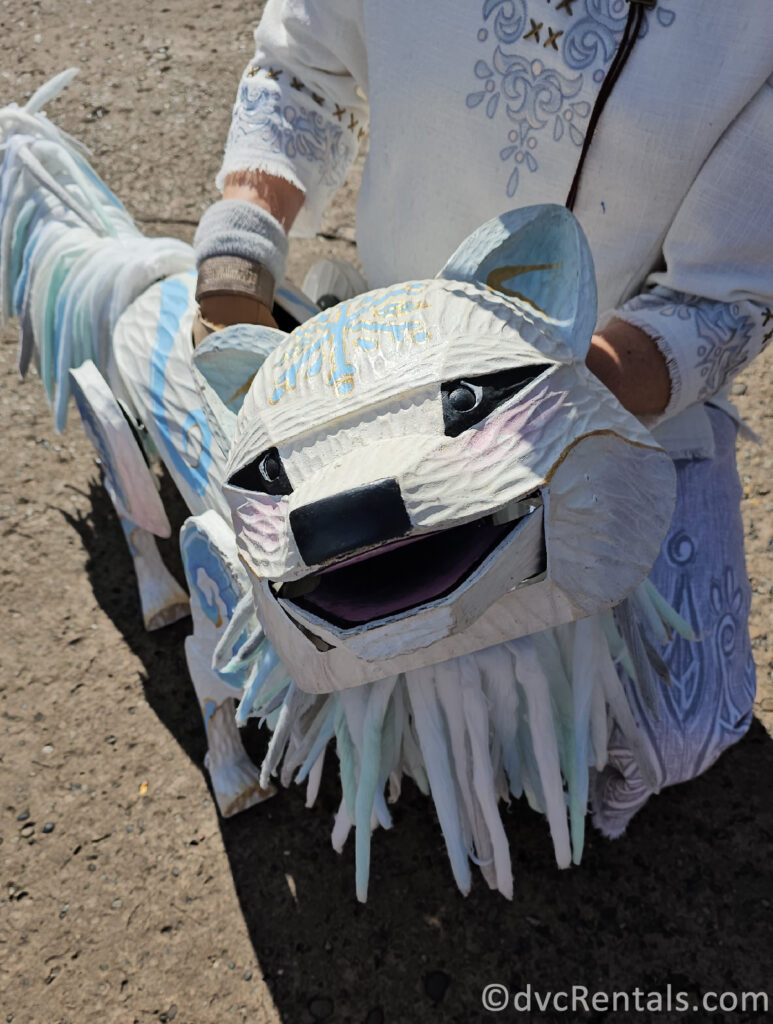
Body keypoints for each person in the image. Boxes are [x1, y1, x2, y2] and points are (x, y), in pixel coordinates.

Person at [193, 0, 773, 835]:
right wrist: (235, 261)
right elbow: (299, 71)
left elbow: (725, 292)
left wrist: (535, 412)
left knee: (679, 724)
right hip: (373, 358)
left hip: (610, 390)